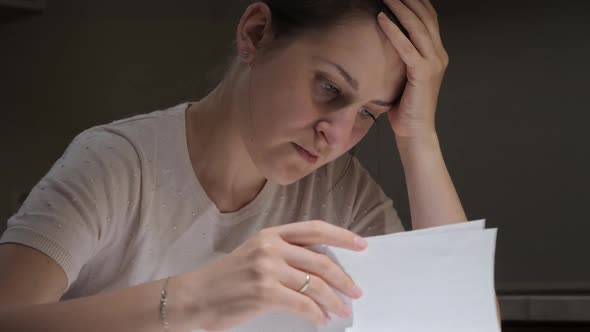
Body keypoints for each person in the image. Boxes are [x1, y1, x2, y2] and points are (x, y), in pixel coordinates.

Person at [0, 0, 468, 331]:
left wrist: (418, 138)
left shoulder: (341, 193)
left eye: (368, 113)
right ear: (256, 33)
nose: (339, 136)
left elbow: (458, 324)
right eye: (329, 88)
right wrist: (192, 299)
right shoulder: (117, 163)